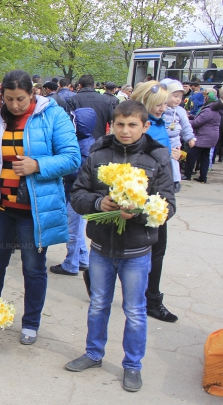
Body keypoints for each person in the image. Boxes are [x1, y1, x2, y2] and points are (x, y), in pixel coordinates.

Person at [66, 100, 176, 393]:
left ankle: (132, 365)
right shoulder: (98, 153)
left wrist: (138, 212)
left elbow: (168, 205)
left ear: (145, 126)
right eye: (120, 124)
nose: (125, 131)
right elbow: (78, 195)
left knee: (135, 310)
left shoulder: (158, 157)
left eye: (132, 125)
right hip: (101, 247)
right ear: (111, 125)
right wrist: (99, 202)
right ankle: (93, 353)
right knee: (98, 304)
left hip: (137, 251)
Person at [0, 70, 80, 344]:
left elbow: (72, 158)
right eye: (9, 99)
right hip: (1, 207)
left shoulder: (52, 115)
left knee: (33, 267)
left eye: (21, 99)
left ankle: (30, 323)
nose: (15, 105)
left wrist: (38, 165)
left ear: (33, 94)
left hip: (35, 211)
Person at [129, 80, 178, 323]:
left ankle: (152, 299)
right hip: (139, 195)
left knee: (157, 250)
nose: (163, 108)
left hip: (159, 194)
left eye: (164, 104)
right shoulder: (138, 125)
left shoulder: (158, 124)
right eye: (158, 104)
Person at [49, 106, 96, 279]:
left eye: (74, 121)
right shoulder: (85, 142)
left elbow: (77, 170)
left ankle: (71, 264)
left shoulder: (83, 145)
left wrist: (60, 167)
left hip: (76, 193)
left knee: (73, 230)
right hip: (76, 192)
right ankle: (82, 259)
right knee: (77, 227)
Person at [159, 79, 194, 192]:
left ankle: (175, 181)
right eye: (175, 96)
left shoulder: (180, 111)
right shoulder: (160, 109)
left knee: (173, 159)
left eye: (180, 97)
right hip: (161, 139)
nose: (179, 99)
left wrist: (190, 137)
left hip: (174, 140)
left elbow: (186, 126)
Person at [186, 90, 222, 184]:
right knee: (204, 156)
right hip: (211, 136)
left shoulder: (209, 110)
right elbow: (201, 119)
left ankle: (187, 174)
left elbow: (197, 123)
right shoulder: (215, 109)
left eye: (205, 97)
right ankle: (203, 177)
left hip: (204, 136)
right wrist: (192, 116)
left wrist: (185, 121)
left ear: (207, 99)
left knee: (191, 154)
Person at [66, 74, 115, 140]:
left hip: (79, 140)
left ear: (80, 85)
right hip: (100, 140)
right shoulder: (106, 100)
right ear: (93, 85)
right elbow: (112, 121)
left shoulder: (72, 100)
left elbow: (69, 122)